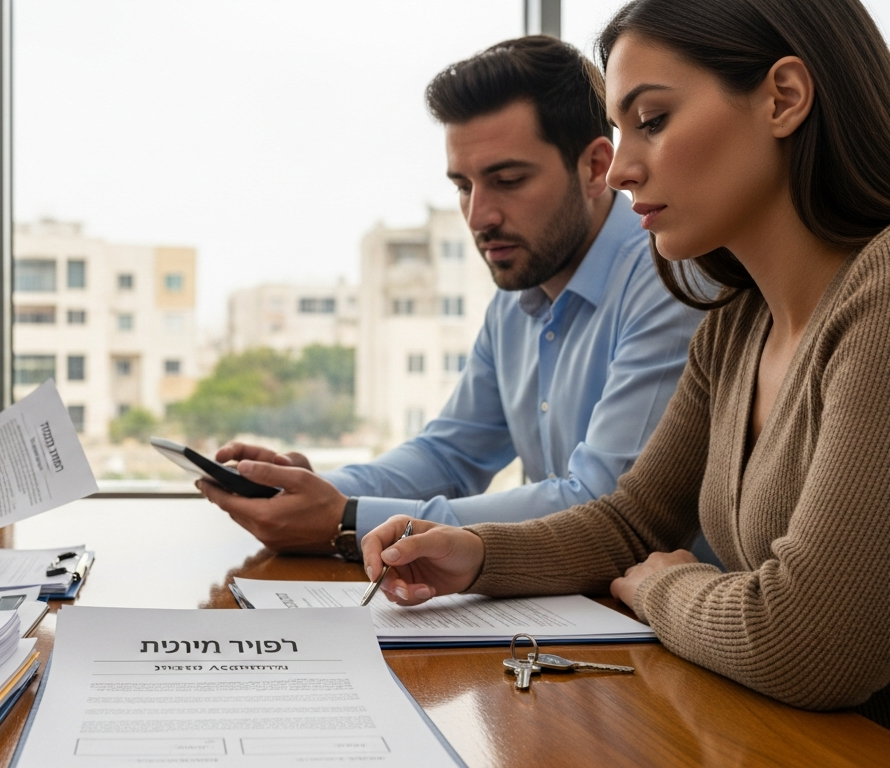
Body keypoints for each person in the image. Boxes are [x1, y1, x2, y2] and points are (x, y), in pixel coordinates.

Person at [361, 0, 890, 725]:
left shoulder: (880, 298)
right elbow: (636, 521)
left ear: (783, 98)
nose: (620, 171)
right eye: (621, 130)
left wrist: (663, 588)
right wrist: (477, 555)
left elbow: (812, 644)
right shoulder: (738, 323)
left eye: (653, 120)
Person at [199, 36, 705, 561]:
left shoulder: (670, 280)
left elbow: (602, 503)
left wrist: (348, 518)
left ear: (596, 167)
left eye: (508, 180)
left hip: (659, 604)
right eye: (464, 186)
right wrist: (314, 488)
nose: (479, 216)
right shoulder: (518, 295)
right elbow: (449, 455)